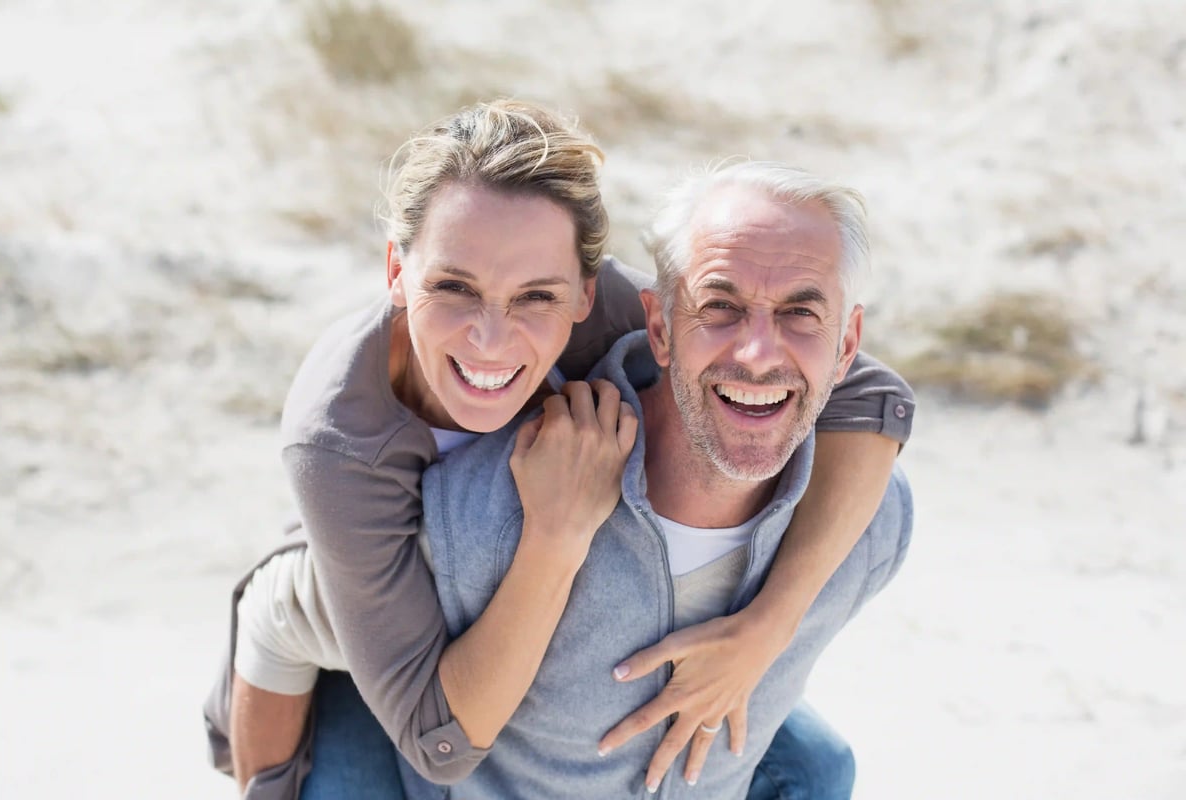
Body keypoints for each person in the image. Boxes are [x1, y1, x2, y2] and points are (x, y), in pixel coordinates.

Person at [202, 101, 914, 799]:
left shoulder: (623, 309)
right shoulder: (341, 440)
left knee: (818, 766)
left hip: (529, 585)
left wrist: (767, 628)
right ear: (396, 271)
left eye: (536, 297)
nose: (491, 336)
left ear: (584, 290)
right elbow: (437, 738)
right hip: (353, 606)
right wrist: (556, 533)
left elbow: (865, 396)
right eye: (453, 286)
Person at [395, 161, 913, 798]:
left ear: (847, 344)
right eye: (720, 306)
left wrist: (771, 623)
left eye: (800, 313)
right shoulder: (483, 513)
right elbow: (309, 630)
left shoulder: (869, 528)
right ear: (662, 328)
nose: (757, 353)